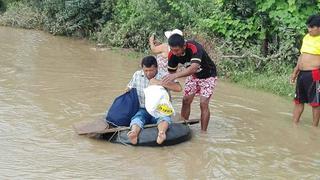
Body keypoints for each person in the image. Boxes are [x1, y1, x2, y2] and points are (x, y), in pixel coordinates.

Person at [162, 34, 218, 131]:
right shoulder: (172, 55)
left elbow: (193, 68)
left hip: (208, 76)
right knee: (186, 100)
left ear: (184, 46)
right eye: (172, 50)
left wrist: (175, 75)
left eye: (177, 50)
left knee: (203, 103)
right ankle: (183, 127)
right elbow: (171, 73)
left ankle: (203, 133)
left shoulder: (194, 47)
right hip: (193, 76)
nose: (175, 53)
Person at [126, 56, 182, 145]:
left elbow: (178, 88)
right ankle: (134, 133)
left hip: (160, 108)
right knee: (137, 118)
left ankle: (161, 133)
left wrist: (159, 82)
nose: (148, 73)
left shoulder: (165, 75)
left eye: (151, 70)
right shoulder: (137, 75)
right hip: (143, 108)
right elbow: (128, 89)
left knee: (164, 118)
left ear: (156, 67)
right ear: (142, 68)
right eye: (146, 71)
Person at [290, 14, 320, 127]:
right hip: (301, 74)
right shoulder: (306, 37)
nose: (309, 29)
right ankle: (294, 125)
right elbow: (301, 56)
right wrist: (295, 72)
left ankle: (314, 128)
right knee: (298, 101)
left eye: (312, 27)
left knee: (316, 103)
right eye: (308, 27)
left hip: (314, 74)